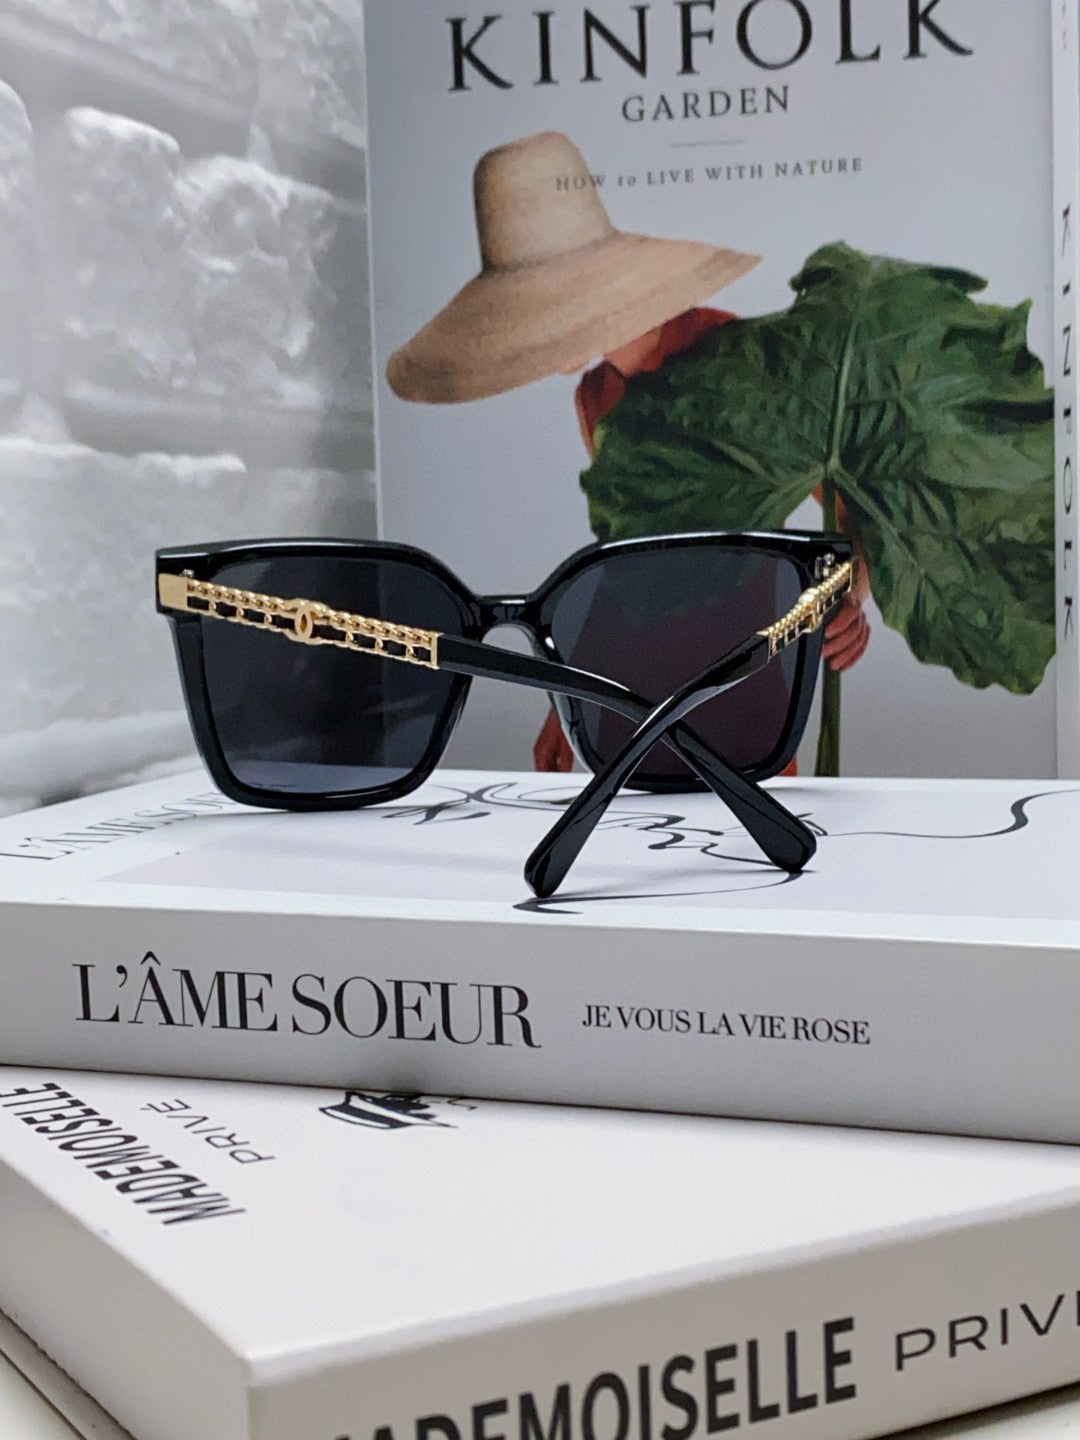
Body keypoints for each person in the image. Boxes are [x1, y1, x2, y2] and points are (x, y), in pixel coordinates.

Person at [385, 131, 869, 774]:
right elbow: (623, 561)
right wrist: (569, 698)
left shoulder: (742, 362)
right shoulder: (595, 395)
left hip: (741, 667)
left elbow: (854, 504)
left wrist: (847, 597)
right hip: (631, 684)